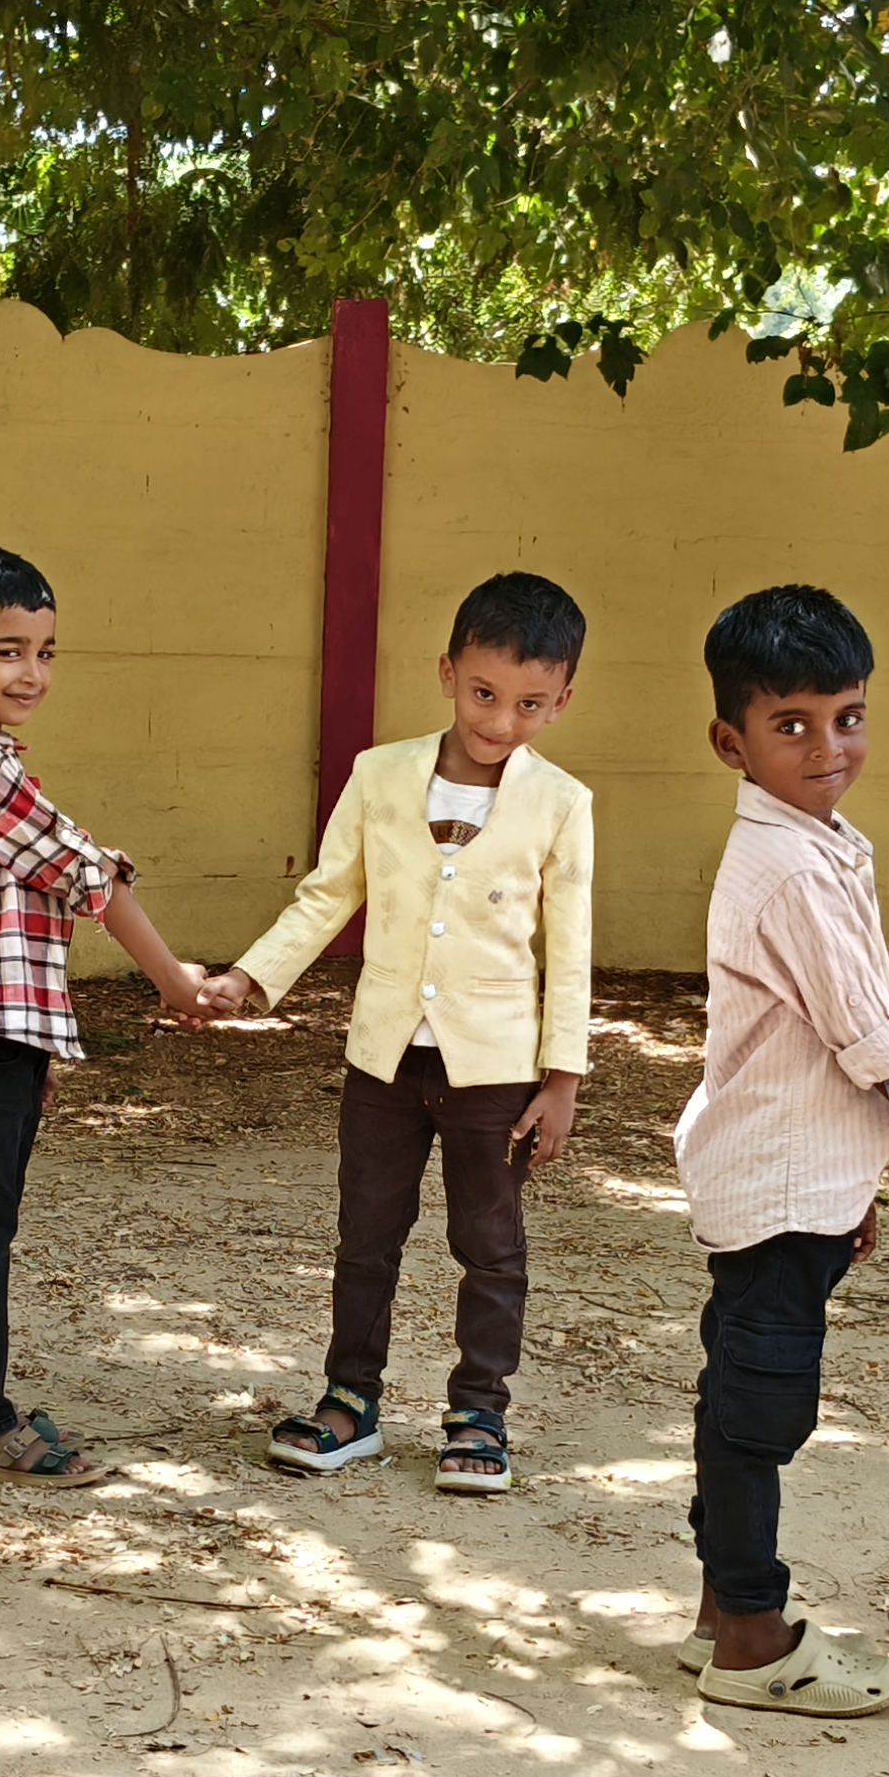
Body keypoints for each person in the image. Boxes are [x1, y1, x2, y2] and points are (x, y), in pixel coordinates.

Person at [666, 586, 889, 1718]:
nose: (828, 748)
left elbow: (834, 1040)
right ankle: (753, 1639)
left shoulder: (821, 846)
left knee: (740, 1394)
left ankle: (720, 1611)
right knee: (758, 1411)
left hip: (791, 1178)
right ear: (732, 743)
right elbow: (869, 1030)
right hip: (771, 1185)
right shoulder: (790, 869)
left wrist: (850, 1185)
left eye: (847, 717)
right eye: (792, 725)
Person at [197, 572, 597, 1495]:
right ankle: (350, 1400)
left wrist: (562, 1078)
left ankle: (479, 1412)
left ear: (562, 702)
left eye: (530, 704)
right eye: (484, 693)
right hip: (383, 1056)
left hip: (495, 1064)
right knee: (367, 1232)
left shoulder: (562, 802)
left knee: (490, 1242)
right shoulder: (379, 774)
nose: (501, 720)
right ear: (448, 672)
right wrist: (249, 978)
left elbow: (570, 948)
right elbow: (327, 895)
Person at [0, 539, 215, 1483]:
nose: (32, 672)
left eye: (44, 651)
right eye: (7, 651)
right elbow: (87, 875)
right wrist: (175, 981)